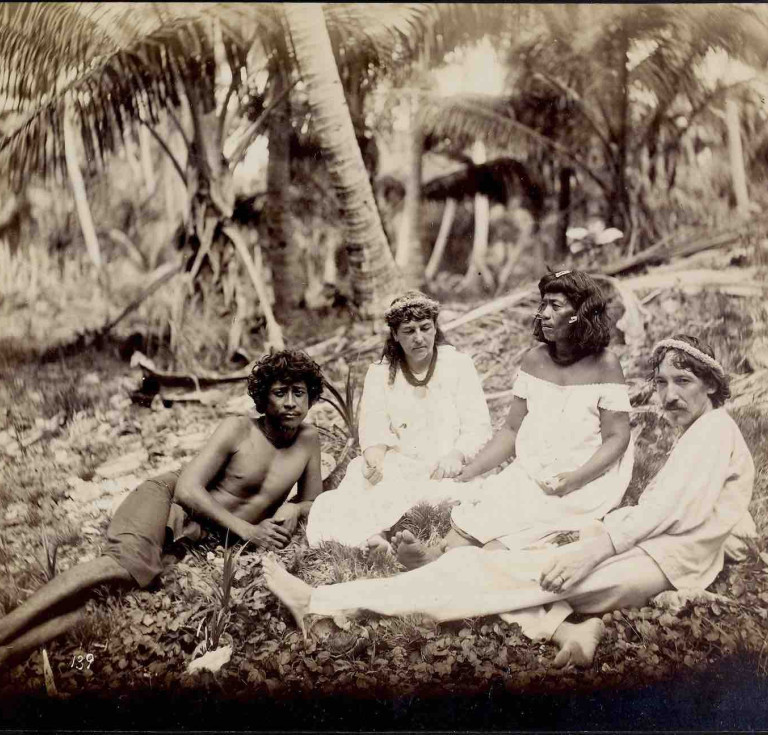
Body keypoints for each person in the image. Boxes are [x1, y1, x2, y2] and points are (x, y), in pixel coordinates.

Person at [264, 335, 755, 668]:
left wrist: (595, 549)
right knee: (499, 574)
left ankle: (321, 602)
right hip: (651, 560)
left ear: (712, 384)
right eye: (663, 383)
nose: (669, 395)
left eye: (683, 382)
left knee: (480, 573)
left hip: (645, 564)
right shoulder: (712, 433)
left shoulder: (713, 433)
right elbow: (717, 514)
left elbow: (666, 511)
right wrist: (716, 552)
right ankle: (568, 629)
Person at [0, 349, 325, 665]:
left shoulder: (309, 440)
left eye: (299, 393)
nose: (290, 402)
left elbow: (314, 500)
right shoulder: (238, 429)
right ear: (263, 398)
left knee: (110, 600)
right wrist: (249, 531)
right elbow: (187, 490)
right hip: (167, 498)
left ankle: (7, 654)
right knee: (120, 565)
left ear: (310, 397)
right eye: (280, 393)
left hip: (204, 534)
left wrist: (295, 508)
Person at [395, 269, 634, 570]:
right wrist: (471, 470)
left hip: (586, 471)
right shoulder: (535, 359)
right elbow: (511, 429)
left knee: (527, 521)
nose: (544, 313)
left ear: (581, 314)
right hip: (537, 466)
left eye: (555, 306)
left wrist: (575, 478)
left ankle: (455, 563)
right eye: (543, 304)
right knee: (495, 500)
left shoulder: (605, 364)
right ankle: (437, 554)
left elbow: (617, 437)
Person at [305, 290, 492, 550]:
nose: (419, 338)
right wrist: (374, 458)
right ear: (394, 334)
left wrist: (457, 455)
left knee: (457, 495)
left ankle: (394, 530)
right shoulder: (380, 373)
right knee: (364, 485)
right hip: (402, 465)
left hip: (447, 465)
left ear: (435, 328)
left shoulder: (458, 364)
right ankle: (375, 538)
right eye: (408, 331)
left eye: (425, 328)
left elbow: (478, 425)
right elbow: (373, 427)